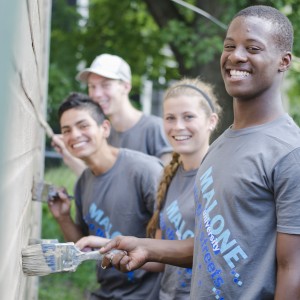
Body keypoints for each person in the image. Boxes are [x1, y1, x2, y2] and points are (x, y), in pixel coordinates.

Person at [99, 5, 300, 300]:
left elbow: (293, 270)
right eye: (229, 46)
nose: (236, 56)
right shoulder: (220, 145)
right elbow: (212, 245)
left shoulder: (289, 152)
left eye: (253, 48)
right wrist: (149, 247)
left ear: (284, 61)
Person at [76, 77, 222, 299]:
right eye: (170, 118)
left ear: (211, 121)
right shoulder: (169, 177)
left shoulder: (222, 175)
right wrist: (108, 246)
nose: (178, 126)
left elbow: (216, 251)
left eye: (188, 117)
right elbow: (159, 257)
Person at [48, 92, 163, 300]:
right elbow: (84, 247)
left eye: (83, 126)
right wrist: (63, 217)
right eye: (66, 130)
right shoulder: (83, 182)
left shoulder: (145, 171)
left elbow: (169, 253)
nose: (74, 135)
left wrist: (107, 244)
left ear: (105, 128)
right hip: (108, 292)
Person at [52, 53, 172, 176]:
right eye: (92, 86)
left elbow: (166, 185)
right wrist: (67, 154)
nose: (97, 94)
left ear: (126, 87)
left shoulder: (155, 128)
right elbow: (97, 184)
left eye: (105, 85)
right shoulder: (100, 133)